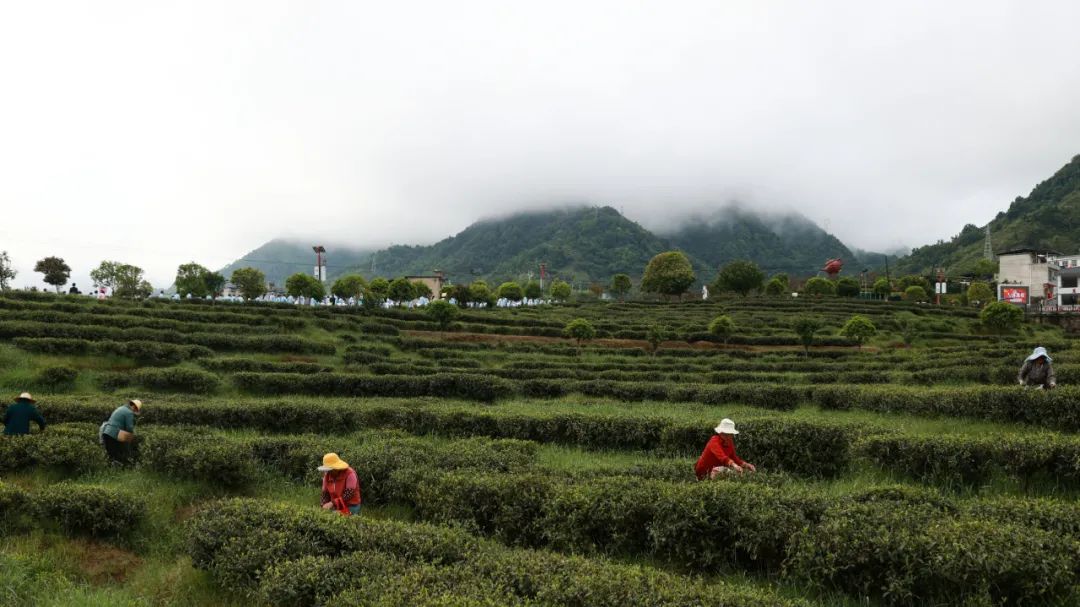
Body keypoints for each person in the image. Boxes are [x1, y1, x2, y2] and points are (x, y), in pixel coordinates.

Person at [99, 399, 143, 464]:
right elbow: (129, 428)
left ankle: (112, 470)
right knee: (117, 456)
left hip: (106, 432)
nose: (134, 411)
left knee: (111, 456)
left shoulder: (121, 408)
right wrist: (134, 435)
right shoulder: (129, 412)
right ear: (134, 406)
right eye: (135, 410)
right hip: (113, 435)